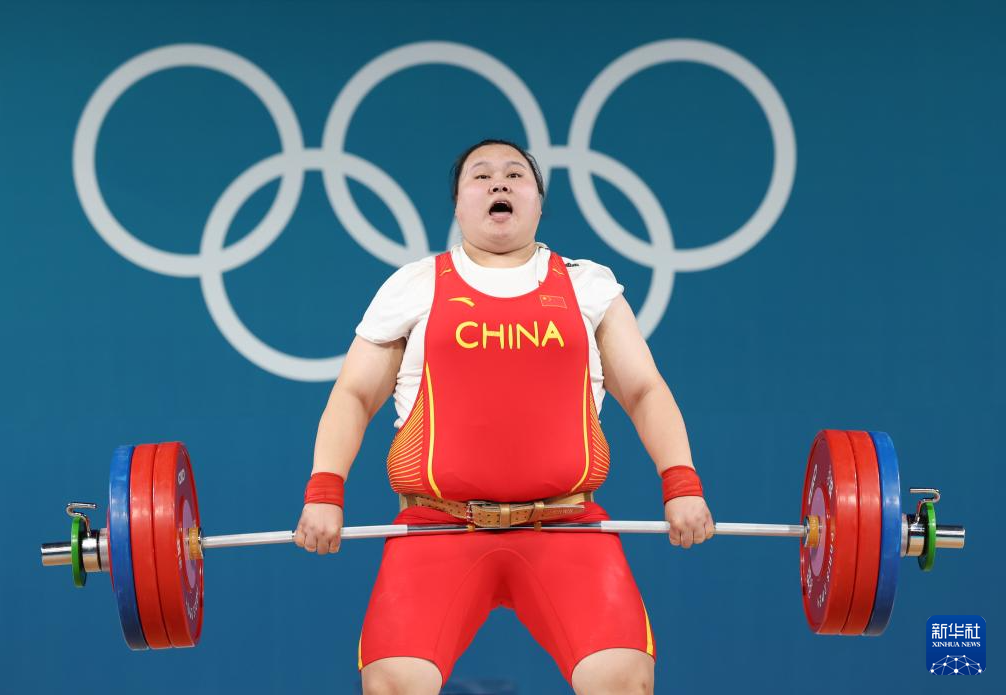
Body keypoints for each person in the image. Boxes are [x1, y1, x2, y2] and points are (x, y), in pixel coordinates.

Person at [294, 139, 714, 695]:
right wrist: (324, 492)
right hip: (438, 530)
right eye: (481, 175)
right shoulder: (414, 285)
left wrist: (681, 483)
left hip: (565, 527)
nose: (499, 182)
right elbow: (352, 395)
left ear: (538, 203)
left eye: (516, 175)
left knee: (623, 681)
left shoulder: (588, 285)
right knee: (394, 685)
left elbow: (644, 390)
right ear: (458, 205)